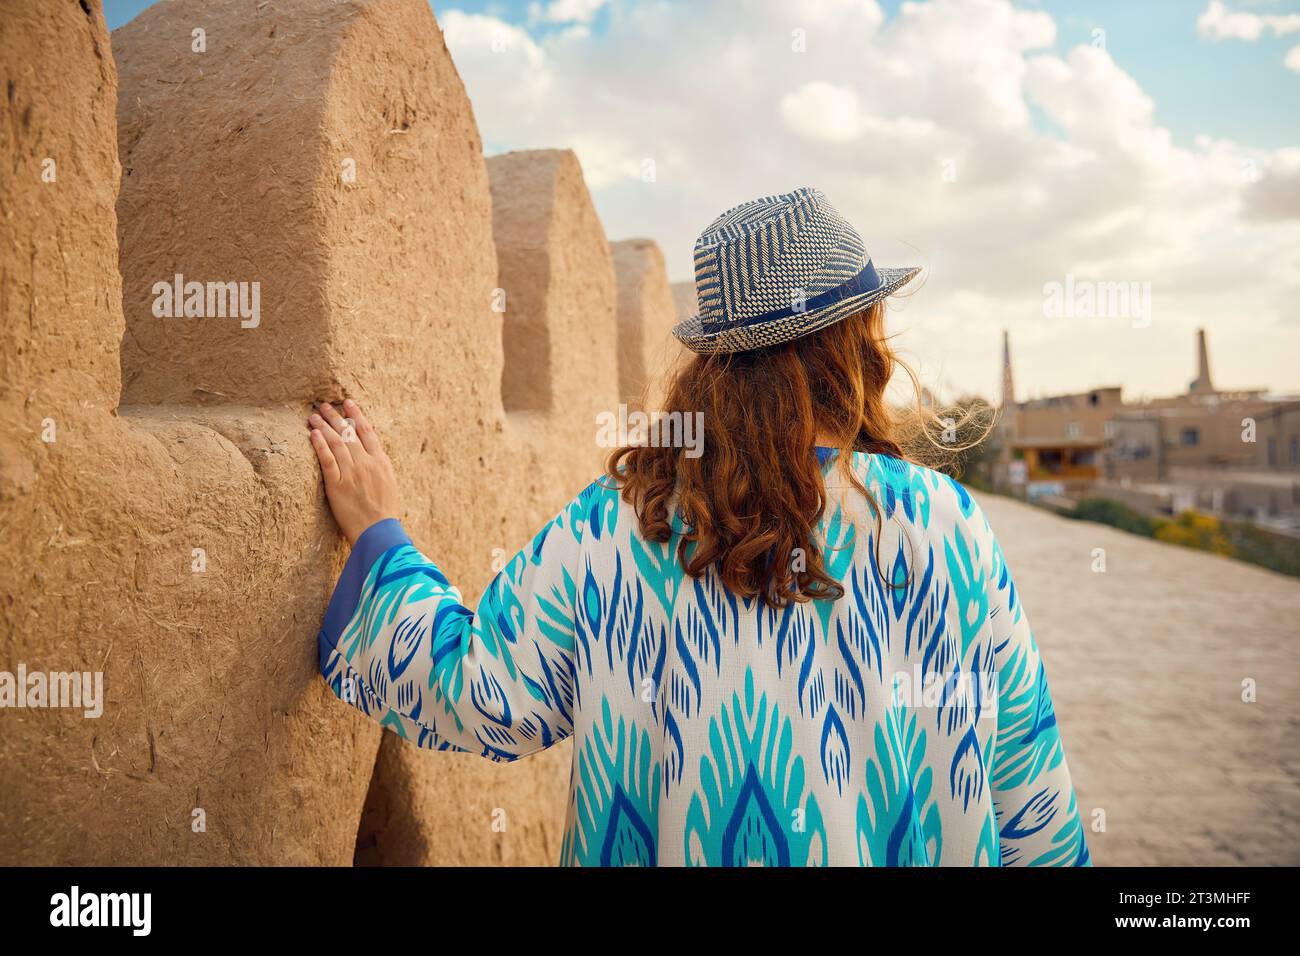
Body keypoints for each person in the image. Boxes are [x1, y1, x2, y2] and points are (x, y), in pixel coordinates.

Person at [307, 186, 1091, 867]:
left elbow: (479, 694)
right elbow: (1029, 796)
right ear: (855, 343)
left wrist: (379, 536)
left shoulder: (615, 527)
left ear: (717, 359)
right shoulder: (943, 525)